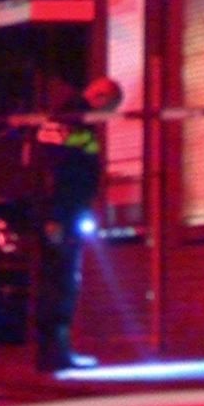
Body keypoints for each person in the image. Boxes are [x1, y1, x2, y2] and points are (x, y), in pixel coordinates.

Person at [32, 76, 124, 373]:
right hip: (61, 213)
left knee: (61, 278)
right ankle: (54, 353)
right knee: (59, 279)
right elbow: (54, 167)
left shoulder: (74, 118)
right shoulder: (70, 117)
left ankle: (56, 351)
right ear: (100, 97)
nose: (106, 117)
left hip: (65, 212)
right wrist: (55, 216)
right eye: (108, 108)